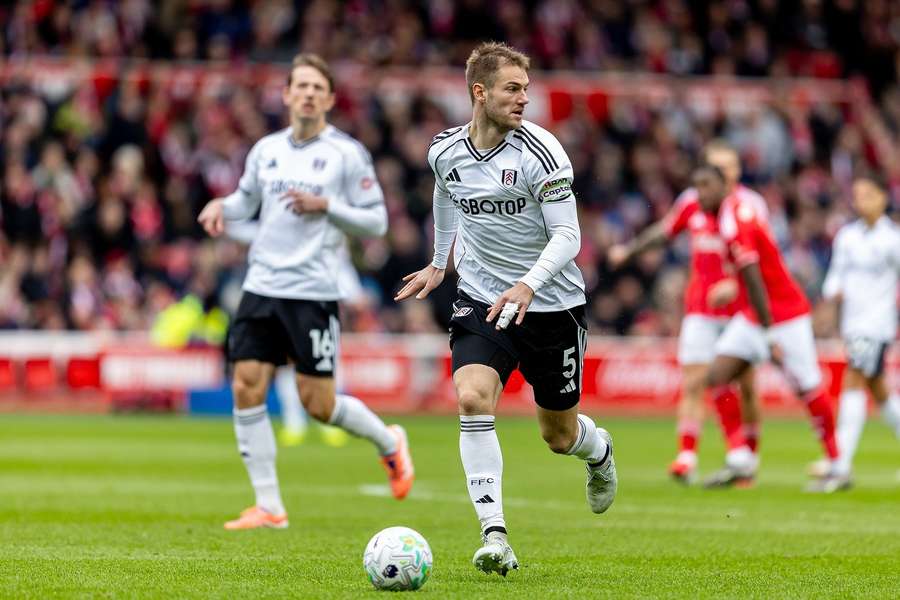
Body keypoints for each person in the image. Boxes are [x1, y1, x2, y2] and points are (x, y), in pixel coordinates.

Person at [394, 42, 617, 577]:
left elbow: (569, 234)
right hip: (481, 294)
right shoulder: (444, 150)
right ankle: (495, 534)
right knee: (472, 397)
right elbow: (445, 196)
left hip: (552, 301)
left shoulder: (542, 152)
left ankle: (600, 451)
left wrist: (529, 284)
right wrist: (438, 262)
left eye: (525, 89)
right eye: (512, 89)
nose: (523, 99)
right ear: (480, 92)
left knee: (557, 436)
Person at [197, 53, 414, 530]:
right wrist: (222, 206)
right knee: (246, 384)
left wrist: (327, 205)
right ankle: (270, 505)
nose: (309, 93)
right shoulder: (266, 150)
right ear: (287, 95)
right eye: (302, 85)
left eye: (319, 87)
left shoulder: (347, 154)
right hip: (261, 285)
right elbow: (245, 200)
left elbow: (377, 219)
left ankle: (388, 441)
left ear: (331, 99)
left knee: (319, 404)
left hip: (313, 290)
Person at [608, 141, 764, 484]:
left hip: (741, 311)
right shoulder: (691, 202)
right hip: (701, 307)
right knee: (695, 380)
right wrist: (629, 251)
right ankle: (687, 455)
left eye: (731, 166)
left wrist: (737, 285)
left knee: (746, 386)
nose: (726, 173)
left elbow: (763, 258)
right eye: (718, 166)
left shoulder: (751, 206)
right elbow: (665, 232)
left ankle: (747, 456)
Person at [692, 165, 840, 490]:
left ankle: (836, 464)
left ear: (723, 187)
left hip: (783, 316)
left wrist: (770, 332)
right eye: (696, 186)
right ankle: (740, 458)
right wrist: (736, 288)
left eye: (705, 185)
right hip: (754, 316)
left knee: (807, 386)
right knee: (717, 376)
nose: (699, 194)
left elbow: (754, 274)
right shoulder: (729, 215)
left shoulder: (735, 218)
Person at [224, 219, 352, 448]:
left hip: (320, 309)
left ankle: (329, 421)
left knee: (328, 367)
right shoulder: (281, 231)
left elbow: (343, 271)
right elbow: (252, 232)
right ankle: (294, 423)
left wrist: (353, 295)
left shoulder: (326, 235)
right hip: (287, 309)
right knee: (287, 366)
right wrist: (227, 217)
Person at [815, 177, 900, 490]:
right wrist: (833, 290)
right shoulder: (847, 236)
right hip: (852, 324)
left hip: (876, 325)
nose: (860, 200)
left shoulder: (893, 240)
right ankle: (839, 464)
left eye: (867, 194)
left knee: (853, 379)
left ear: (882, 198)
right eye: (857, 195)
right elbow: (836, 274)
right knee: (880, 393)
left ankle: (840, 466)